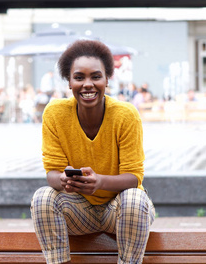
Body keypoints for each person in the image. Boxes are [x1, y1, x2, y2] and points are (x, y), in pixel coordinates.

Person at [30, 40, 155, 264]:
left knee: (135, 198)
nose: (88, 84)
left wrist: (100, 182)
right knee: (43, 197)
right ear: (69, 82)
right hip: (78, 211)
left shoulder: (125, 115)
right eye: (79, 77)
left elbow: (134, 178)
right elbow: (51, 173)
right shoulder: (55, 114)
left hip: (120, 212)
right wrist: (62, 180)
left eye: (96, 77)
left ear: (107, 79)